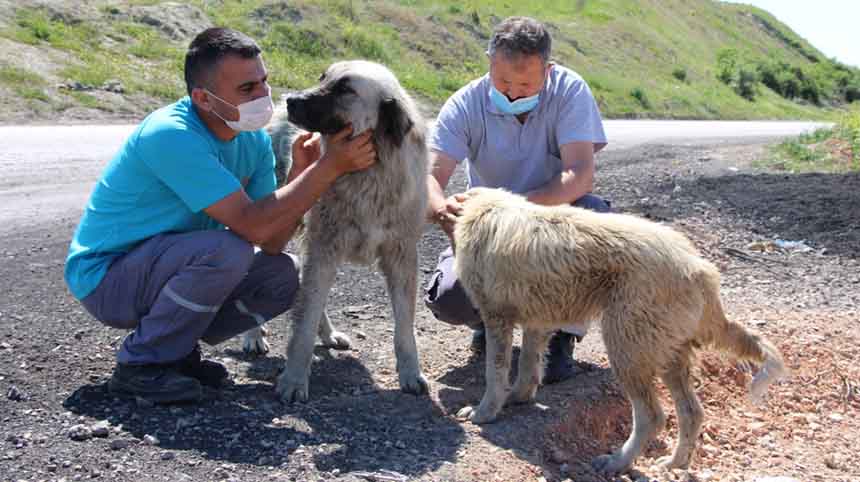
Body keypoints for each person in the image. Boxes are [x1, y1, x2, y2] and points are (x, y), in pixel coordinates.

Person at [64, 27, 376, 404]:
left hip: (167, 267)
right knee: (227, 250)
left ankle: (175, 350)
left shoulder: (253, 140)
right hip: (108, 278)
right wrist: (327, 168)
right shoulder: (171, 135)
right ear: (203, 98)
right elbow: (252, 225)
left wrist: (299, 173)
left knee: (283, 275)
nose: (263, 96)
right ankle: (141, 364)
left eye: (264, 82)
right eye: (247, 89)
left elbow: (272, 241)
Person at [424, 16, 610, 384]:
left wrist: (514, 210)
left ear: (548, 71)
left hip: (554, 221)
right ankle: (489, 322)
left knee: (598, 224)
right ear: (489, 62)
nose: (512, 93)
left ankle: (560, 335)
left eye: (525, 84)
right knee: (449, 297)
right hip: (489, 234)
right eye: (503, 81)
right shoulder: (466, 103)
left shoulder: (570, 91)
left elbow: (580, 173)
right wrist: (441, 209)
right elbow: (430, 176)